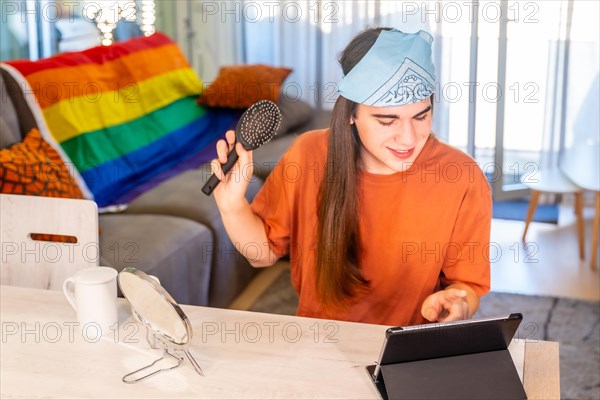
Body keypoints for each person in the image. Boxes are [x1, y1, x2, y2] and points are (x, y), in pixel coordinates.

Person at [210, 27, 492, 326]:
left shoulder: (462, 177)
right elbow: (262, 254)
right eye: (387, 120)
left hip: (408, 351)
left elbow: (467, 287)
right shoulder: (308, 155)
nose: (409, 138)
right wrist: (231, 205)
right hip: (318, 341)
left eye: (421, 116)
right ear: (350, 114)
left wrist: (458, 303)